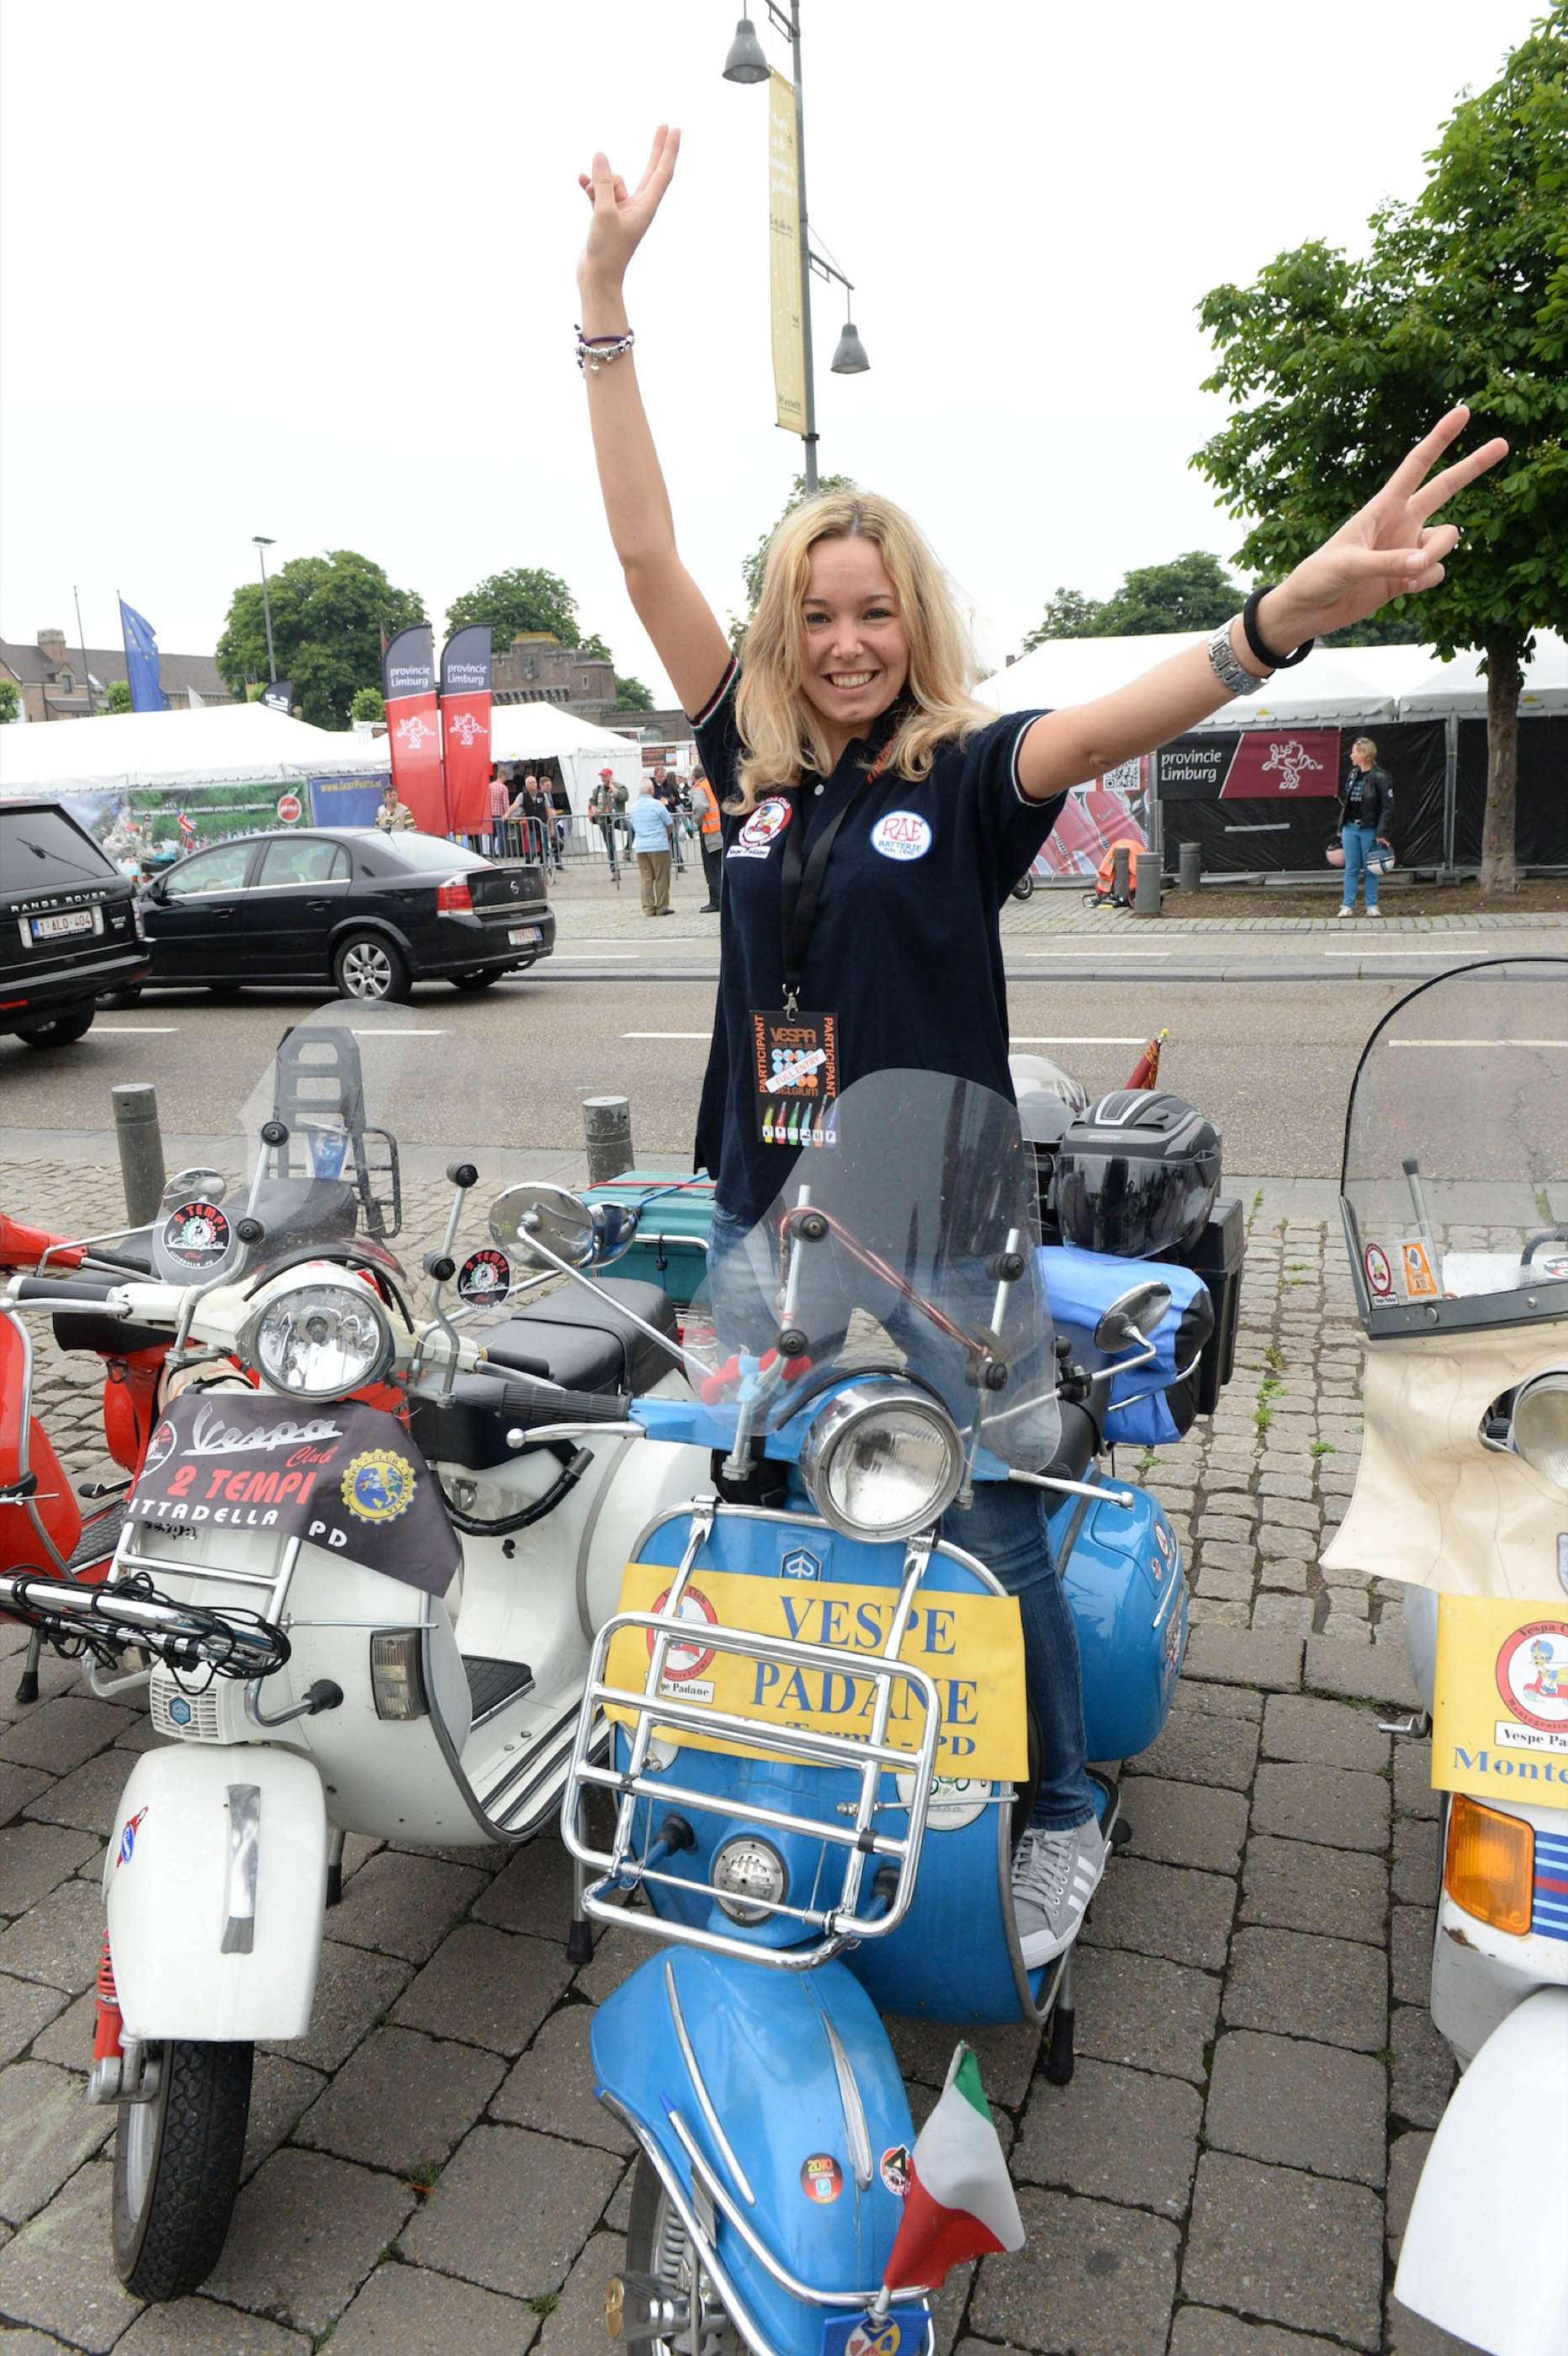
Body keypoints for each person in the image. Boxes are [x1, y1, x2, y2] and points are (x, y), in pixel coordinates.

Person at [575, 125, 1506, 1964]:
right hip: (764, 1222)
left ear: (910, 624)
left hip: (939, 1234)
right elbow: (639, 545)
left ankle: (1061, 1804)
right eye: (815, 614)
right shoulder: (740, 760)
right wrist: (602, 304)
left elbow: (1122, 715)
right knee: (756, 1493)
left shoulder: (967, 776)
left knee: (990, 1520)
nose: (845, 640)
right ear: (780, 630)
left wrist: (1280, 619)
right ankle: (803, 1765)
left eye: (873, 612)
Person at [1336, 736, 1395, 919]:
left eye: (1354, 752)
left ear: (1364, 754)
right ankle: (1347, 905)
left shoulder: (1381, 777)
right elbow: (1346, 803)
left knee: (1372, 868)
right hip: (1350, 828)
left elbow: (1387, 807)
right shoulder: (1353, 775)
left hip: (1369, 829)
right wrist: (1341, 827)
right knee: (1351, 868)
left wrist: (1381, 832)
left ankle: (1372, 905)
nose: (1351, 755)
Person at [628, 777, 674, 915]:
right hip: (659, 845)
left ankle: (648, 908)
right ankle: (662, 907)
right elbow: (669, 823)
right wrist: (666, 836)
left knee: (646, 878)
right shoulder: (657, 805)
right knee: (661, 877)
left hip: (641, 847)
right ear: (651, 789)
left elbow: (633, 825)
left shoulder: (633, 807)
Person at [688, 766, 723, 911]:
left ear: (694, 777)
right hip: (720, 830)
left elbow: (699, 806)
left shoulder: (700, 788)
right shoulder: (712, 784)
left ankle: (716, 901)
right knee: (720, 867)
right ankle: (723, 899)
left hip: (709, 831)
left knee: (711, 869)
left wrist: (697, 820)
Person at [651, 762, 686, 872]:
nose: (662, 779)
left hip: (670, 816)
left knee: (673, 839)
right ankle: (659, 865)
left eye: (663, 776)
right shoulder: (651, 786)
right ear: (655, 776)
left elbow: (679, 800)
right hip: (657, 818)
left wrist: (674, 800)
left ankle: (680, 864)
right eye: (660, 777)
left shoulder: (669, 786)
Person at [588, 767, 622, 875]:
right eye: (602, 776)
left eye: (605, 776)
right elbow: (592, 802)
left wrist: (612, 786)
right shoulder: (598, 789)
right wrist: (594, 809)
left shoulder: (619, 787)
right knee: (610, 846)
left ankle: (627, 849)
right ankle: (614, 870)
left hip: (617, 818)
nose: (603, 779)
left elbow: (622, 797)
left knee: (631, 828)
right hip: (604, 821)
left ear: (610, 776)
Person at [488, 765, 512, 859]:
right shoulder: (503, 788)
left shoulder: (489, 786)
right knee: (501, 834)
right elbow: (506, 803)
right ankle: (502, 853)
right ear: (504, 777)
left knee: (491, 834)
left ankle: (491, 853)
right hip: (500, 814)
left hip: (490, 814)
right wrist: (508, 814)